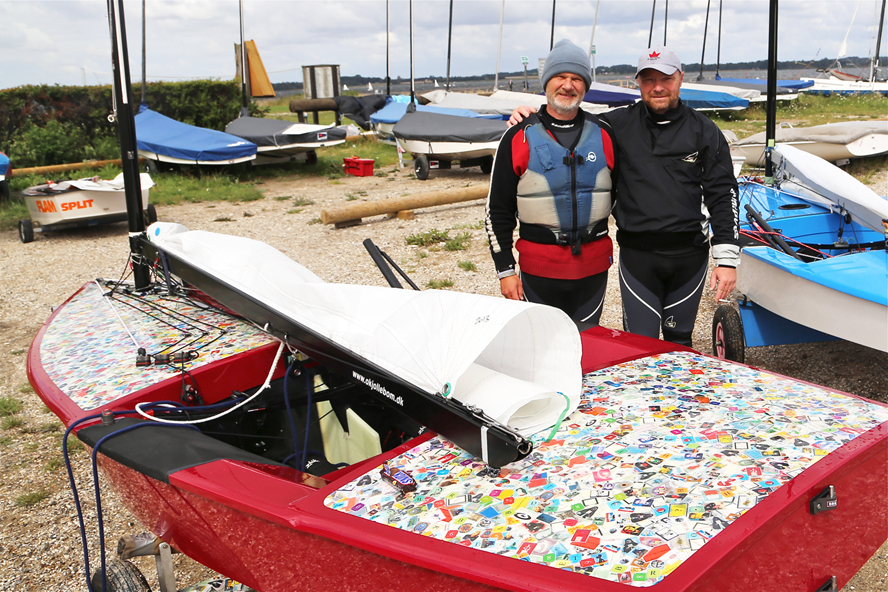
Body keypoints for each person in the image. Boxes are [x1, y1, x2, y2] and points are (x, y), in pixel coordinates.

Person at [508, 46, 739, 346]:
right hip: (638, 258)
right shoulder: (614, 126)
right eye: (649, 79)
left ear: (681, 79)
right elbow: (566, 118)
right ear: (637, 83)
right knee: (640, 345)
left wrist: (727, 260)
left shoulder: (704, 131)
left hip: (689, 258)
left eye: (666, 79)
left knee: (680, 342)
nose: (658, 87)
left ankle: (675, 394)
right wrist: (528, 116)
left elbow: (723, 194)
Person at [485, 39, 617, 326]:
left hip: (593, 269)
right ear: (546, 83)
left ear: (585, 86)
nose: (568, 85)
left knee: (587, 347)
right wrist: (505, 271)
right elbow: (498, 210)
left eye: (577, 79)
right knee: (542, 352)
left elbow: (623, 195)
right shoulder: (517, 135)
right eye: (560, 77)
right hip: (539, 270)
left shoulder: (605, 133)